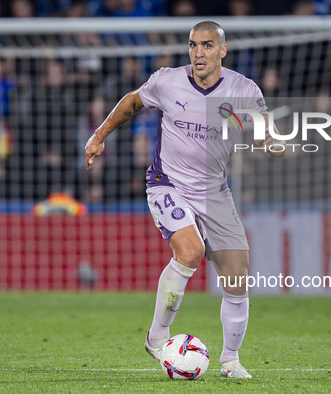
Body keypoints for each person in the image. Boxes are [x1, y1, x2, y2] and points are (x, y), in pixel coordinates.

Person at [85, 21, 282, 379]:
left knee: (237, 278)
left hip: (214, 191)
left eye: (207, 46)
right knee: (189, 252)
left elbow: (263, 128)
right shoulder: (167, 80)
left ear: (222, 50)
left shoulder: (243, 89)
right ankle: (157, 336)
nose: (198, 53)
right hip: (167, 183)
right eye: (193, 45)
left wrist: (271, 142)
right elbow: (132, 102)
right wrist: (99, 136)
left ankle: (230, 361)